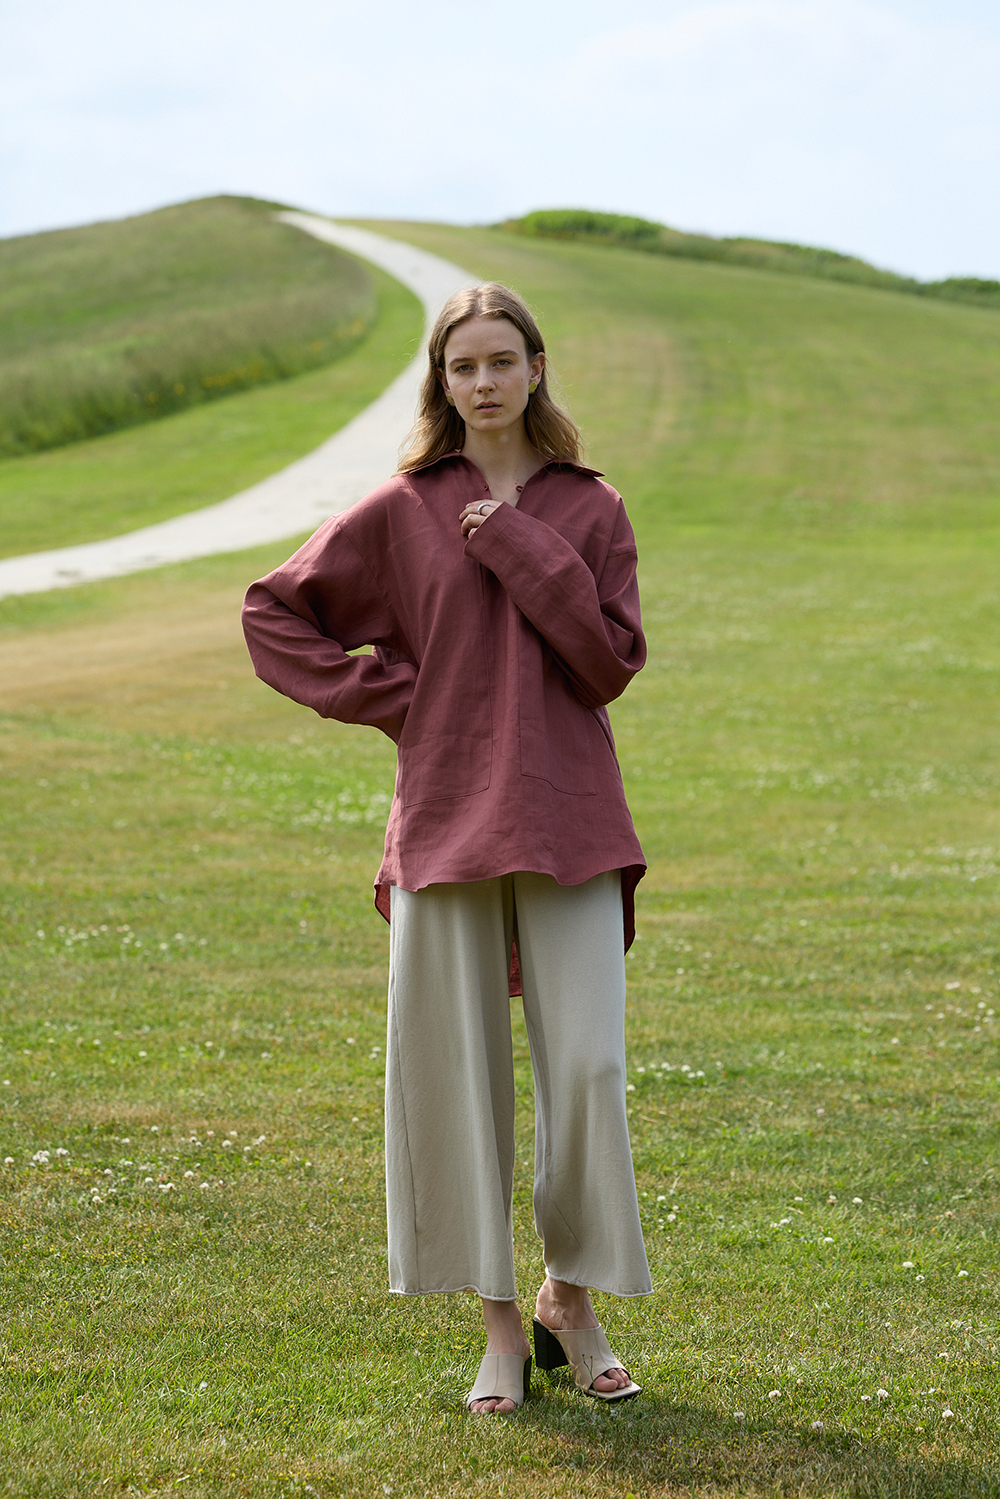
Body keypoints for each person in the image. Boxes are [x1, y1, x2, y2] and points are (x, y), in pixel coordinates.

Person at [242, 282, 652, 1414]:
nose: (483, 381)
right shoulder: (400, 509)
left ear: (535, 368)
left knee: (589, 1068)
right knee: (454, 1075)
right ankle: (500, 1326)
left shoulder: (591, 507)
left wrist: (514, 542)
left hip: (571, 815)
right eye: (462, 364)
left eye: (502, 360)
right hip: (445, 818)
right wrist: (398, 699)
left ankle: (571, 1297)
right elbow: (273, 612)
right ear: (443, 380)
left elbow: (607, 662)